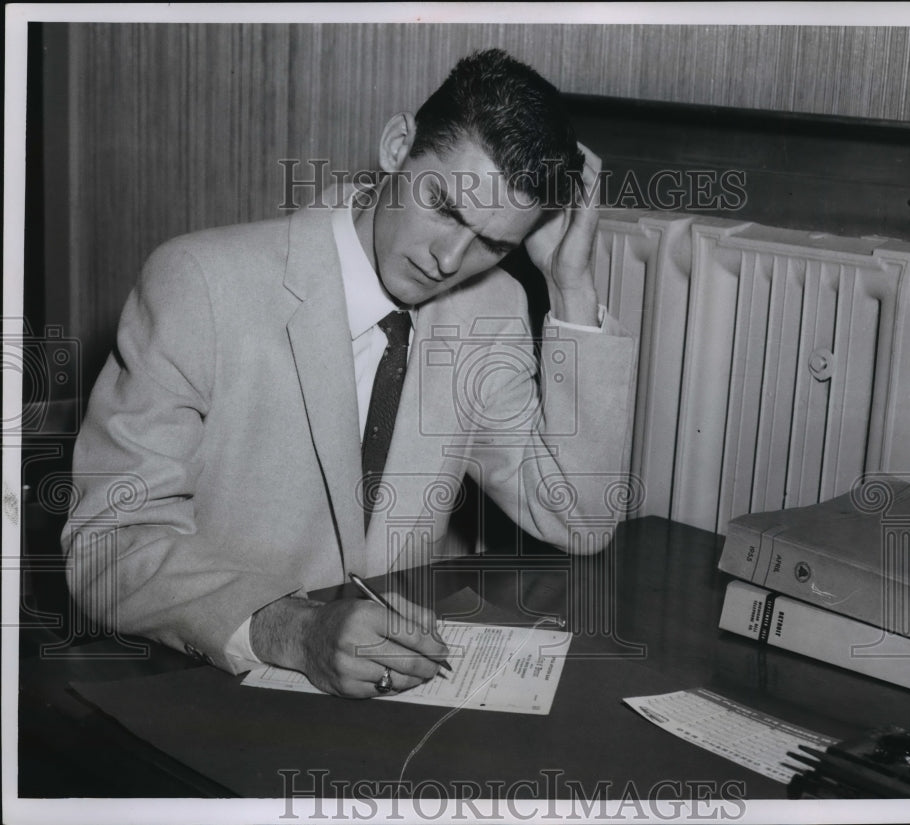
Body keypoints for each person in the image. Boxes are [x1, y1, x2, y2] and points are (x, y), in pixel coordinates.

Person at [62, 49, 638, 698]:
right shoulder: (202, 284)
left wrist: (571, 286)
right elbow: (106, 548)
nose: (450, 259)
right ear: (397, 145)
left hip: (386, 709)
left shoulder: (490, 309)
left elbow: (581, 517)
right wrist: (292, 628)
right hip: (209, 687)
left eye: (494, 243)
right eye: (446, 208)